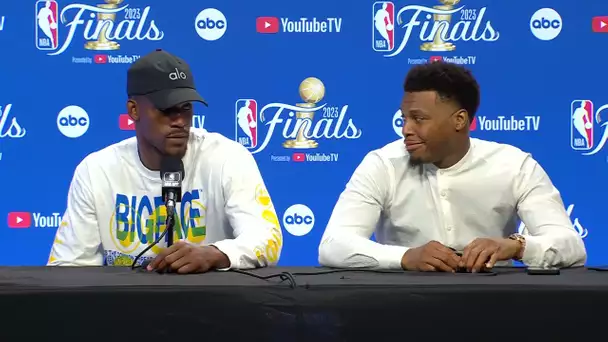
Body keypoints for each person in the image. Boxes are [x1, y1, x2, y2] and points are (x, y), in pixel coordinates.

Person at [318, 61, 586, 273]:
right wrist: (405, 257)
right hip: (400, 308)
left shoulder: (514, 166)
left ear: (459, 120)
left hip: (495, 311)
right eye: (404, 118)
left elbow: (572, 247)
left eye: (419, 119)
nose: (406, 130)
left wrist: (516, 247)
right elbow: (333, 245)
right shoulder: (382, 164)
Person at [47, 49, 283, 274]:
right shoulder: (96, 170)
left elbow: (267, 238)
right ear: (133, 110)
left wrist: (214, 254)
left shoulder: (227, 158)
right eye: (167, 109)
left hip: (212, 308)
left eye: (186, 108)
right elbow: (68, 265)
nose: (180, 121)